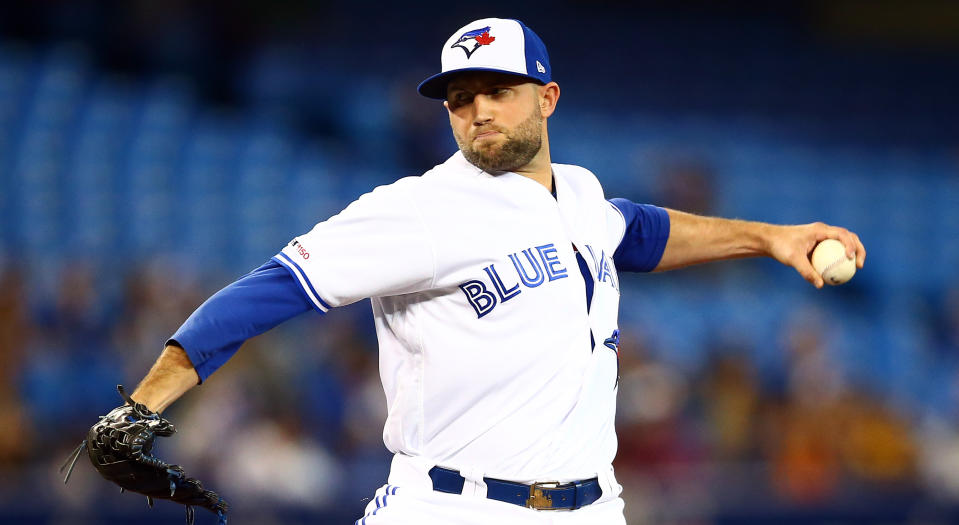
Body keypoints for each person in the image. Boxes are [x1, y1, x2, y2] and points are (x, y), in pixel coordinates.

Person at [121, 17, 866, 525]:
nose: (477, 111)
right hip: (452, 505)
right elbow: (270, 290)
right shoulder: (421, 207)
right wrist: (143, 404)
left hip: (592, 506)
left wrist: (771, 238)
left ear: (546, 98)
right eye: (460, 98)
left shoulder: (576, 191)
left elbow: (639, 231)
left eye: (497, 92)